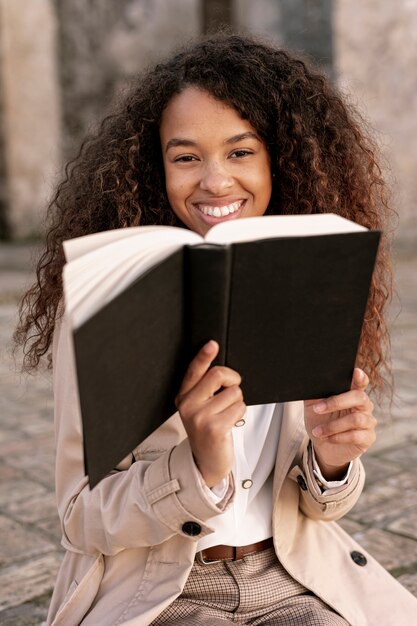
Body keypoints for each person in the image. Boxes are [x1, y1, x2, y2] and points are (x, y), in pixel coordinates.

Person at [15, 33, 417, 626]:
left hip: (290, 577)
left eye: (239, 152)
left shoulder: (306, 277)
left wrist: (332, 462)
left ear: (280, 157)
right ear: (155, 168)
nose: (215, 182)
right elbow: (81, 517)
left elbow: (315, 506)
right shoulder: (105, 300)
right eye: (185, 157)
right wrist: (197, 466)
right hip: (162, 593)